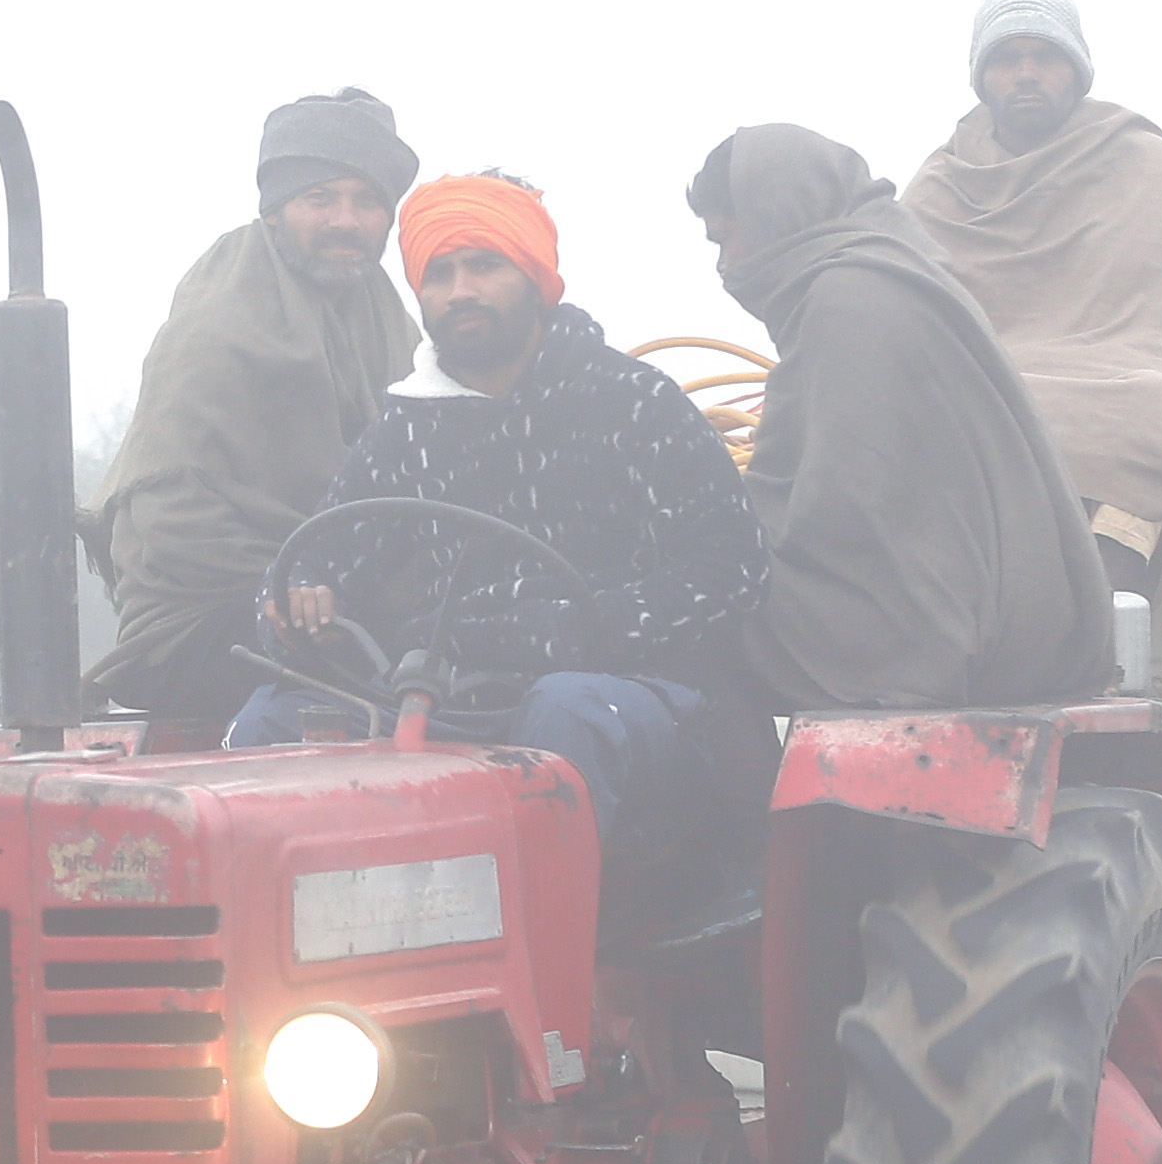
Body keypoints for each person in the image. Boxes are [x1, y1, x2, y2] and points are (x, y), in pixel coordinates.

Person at [230, 171, 760, 863]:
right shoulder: (409, 426)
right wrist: (293, 612)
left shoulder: (632, 401)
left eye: (484, 265)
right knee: (272, 720)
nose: (461, 291)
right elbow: (323, 559)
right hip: (463, 701)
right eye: (439, 272)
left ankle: (546, 955)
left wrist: (570, 632)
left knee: (562, 712)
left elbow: (732, 569)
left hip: (637, 701)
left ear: (535, 277)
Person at [690, 124, 1118, 711]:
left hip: (917, 636)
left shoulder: (845, 303)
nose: (724, 265)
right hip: (1009, 620)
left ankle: (729, 803)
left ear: (775, 215)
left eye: (725, 239)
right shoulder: (898, 272)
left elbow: (836, 516)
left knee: (694, 614)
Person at [899, 0, 1162, 588]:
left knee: (1152, 412)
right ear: (981, 77)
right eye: (1007, 59)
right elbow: (903, 321)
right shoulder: (942, 184)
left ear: (1075, 69)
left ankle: (1105, 608)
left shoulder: (1138, 159)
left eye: (1044, 56)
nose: (1026, 74)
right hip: (983, 383)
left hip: (1119, 381)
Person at [82, 86, 426, 722]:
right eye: (319, 198)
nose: (345, 221)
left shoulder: (384, 316)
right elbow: (175, 525)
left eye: (367, 201)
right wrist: (298, 589)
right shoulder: (222, 319)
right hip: (202, 621)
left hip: (342, 597)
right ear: (274, 209)